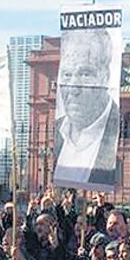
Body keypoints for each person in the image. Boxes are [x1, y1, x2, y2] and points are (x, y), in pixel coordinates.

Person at [52, 27, 120, 188]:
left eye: (85, 74)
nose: (73, 89)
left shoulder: (116, 128)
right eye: (67, 75)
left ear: (105, 77)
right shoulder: (57, 131)